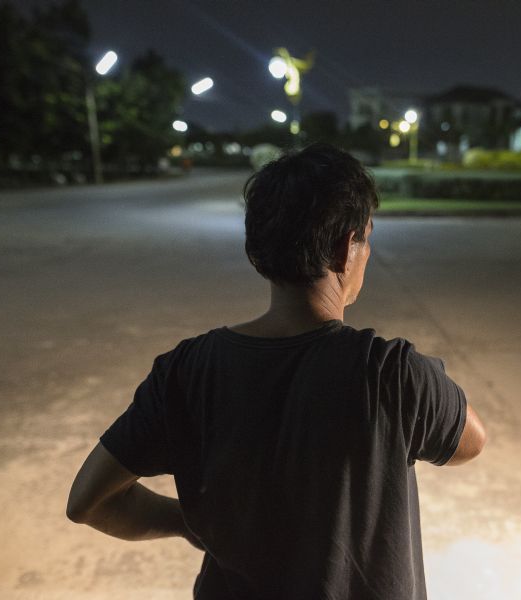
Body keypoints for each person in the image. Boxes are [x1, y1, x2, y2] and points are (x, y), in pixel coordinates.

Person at [66, 143, 487, 599]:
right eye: (366, 237)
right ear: (348, 248)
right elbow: (470, 442)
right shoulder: (390, 372)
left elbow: (88, 502)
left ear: (257, 249)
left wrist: (190, 524)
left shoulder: (187, 371)